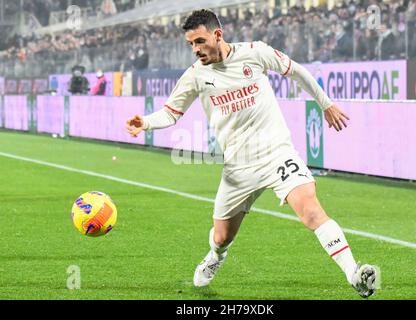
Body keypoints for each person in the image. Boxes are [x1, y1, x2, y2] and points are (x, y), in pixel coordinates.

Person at [125, 9, 379, 298]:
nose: (195, 50)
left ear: (217, 35)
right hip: (238, 167)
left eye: (199, 41)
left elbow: (296, 71)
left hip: (277, 154)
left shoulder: (255, 53)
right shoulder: (195, 76)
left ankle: (354, 273)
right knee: (221, 237)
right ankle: (215, 257)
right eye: (191, 45)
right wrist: (145, 122)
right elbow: (171, 114)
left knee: (310, 210)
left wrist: (326, 104)